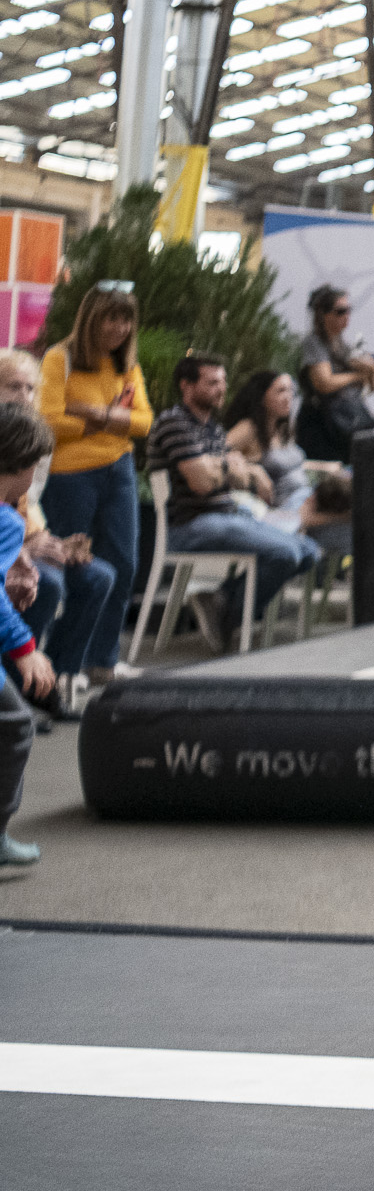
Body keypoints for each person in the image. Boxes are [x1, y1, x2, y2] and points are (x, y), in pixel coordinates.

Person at [152, 352, 321, 642]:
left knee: (309, 552)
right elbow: (203, 483)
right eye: (212, 382)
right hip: (191, 525)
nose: (221, 388)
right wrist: (230, 466)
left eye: (223, 381)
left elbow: (233, 478)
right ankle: (230, 614)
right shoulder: (175, 423)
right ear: (187, 386)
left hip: (228, 515)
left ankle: (221, 601)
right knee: (286, 553)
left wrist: (233, 469)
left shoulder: (213, 430)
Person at [41, 279, 150, 688]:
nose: (119, 328)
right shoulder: (59, 359)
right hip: (70, 476)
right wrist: (110, 421)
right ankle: (65, 660)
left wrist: (89, 413)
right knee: (73, 564)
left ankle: (102, 659)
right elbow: (50, 422)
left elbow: (143, 422)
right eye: (111, 318)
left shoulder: (127, 366)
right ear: (91, 319)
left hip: (119, 471)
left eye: (126, 320)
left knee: (122, 564)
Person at [0, 351, 106, 715]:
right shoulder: (18, 449)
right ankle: (25, 683)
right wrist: (25, 647)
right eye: (14, 386)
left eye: (31, 388)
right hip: (20, 543)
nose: (25, 396)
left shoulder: (28, 442)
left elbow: (29, 503)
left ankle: (53, 679)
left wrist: (48, 542)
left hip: (27, 540)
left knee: (99, 577)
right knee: (49, 585)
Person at [0, 402, 60, 871]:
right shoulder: (6, 521)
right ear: (20, 464)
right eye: (35, 466)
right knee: (16, 725)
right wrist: (25, 650)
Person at [295, 284, 374, 465]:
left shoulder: (346, 345)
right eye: (341, 311)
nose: (347, 316)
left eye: (349, 310)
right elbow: (324, 383)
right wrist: (357, 375)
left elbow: (371, 388)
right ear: (324, 315)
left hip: (346, 424)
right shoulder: (314, 342)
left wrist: (371, 370)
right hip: (321, 424)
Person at [223, 369, 312, 531]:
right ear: (262, 397)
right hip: (285, 507)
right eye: (281, 391)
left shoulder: (282, 429)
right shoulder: (249, 428)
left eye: (291, 391)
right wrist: (252, 469)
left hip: (305, 496)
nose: (288, 397)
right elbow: (215, 453)